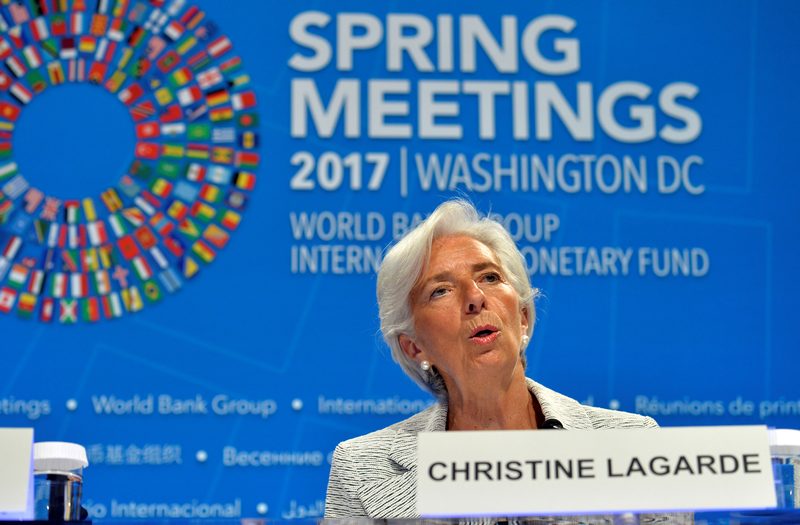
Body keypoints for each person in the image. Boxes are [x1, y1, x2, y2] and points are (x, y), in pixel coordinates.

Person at [324, 199, 657, 519]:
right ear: (414, 347)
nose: (475, 298)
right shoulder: (362, 470)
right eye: (440, 290)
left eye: (490, 277)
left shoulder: (633, 443)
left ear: (523, 317)